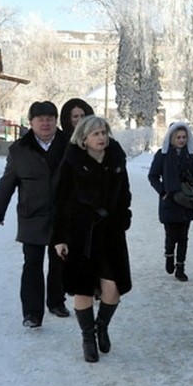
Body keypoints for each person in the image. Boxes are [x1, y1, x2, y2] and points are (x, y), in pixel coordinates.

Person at [52, 115, 132, 363]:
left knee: (113, 288)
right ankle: (88, 337)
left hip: (111, 234)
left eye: (104, 132)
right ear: (83, 138)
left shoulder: (116, 159)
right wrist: (60, 237)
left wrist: (123, 218)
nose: (101, 137)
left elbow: (125, 195)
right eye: (96, 133)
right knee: (83, 288)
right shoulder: (72, 162)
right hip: (81, 234)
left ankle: (102, 326)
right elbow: (60, 201)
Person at [0, 101, 70, 328]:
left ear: (56, 121)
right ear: (31, 122)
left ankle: (56, 302)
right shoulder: (19, 150)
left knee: (59, 261)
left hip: (62, 214)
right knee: (32, 263)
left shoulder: (69, 146)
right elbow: (7, 182)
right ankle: (32, 313)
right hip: (32, 215)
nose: (45, 123)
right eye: (40, 119)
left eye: (49, 119)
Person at [148, 122, 193, 282]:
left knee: (183, 237)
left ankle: (180, 267)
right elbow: (153, 175)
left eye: (184, 137)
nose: (181, 140)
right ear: (172, 138)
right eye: (178, 137)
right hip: (170, 201)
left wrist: (191, 181)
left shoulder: (189, 155)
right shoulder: (163, 155)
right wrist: (162, 192)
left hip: (186, 202)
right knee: (171, 236)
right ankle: (169, 254)